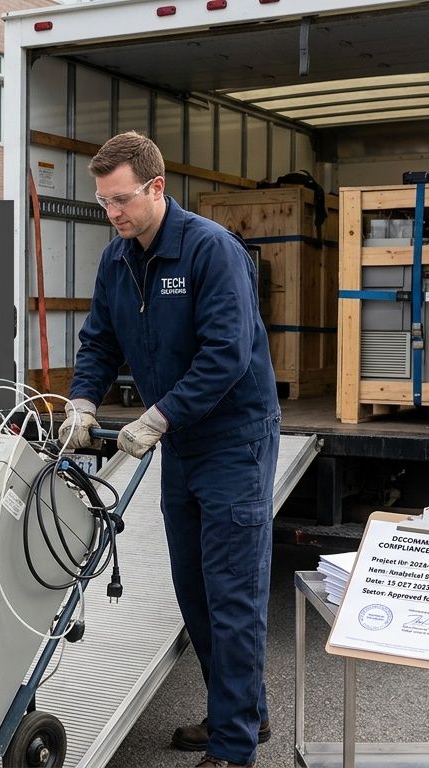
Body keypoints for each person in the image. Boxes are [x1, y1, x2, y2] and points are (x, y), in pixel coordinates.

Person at [58, 131, 281, 768]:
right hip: (181, 443)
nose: (112, 213)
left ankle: (233, 748)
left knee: (231, 593)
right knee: (194, 588)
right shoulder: (118, 259)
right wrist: (82, 402)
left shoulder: (211, 251)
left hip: (233, 440)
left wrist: (157, 416)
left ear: (157, 187)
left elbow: (226, 355)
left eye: (121, 199)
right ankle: (244, 713)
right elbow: (100, 341)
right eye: (104, 202)